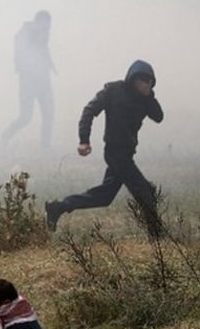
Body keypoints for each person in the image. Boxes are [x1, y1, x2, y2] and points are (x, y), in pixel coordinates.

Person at [45, 60, 164, 237]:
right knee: (146, 192)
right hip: (115, 153)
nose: (146, 84)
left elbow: (159, 117)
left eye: (149, 81)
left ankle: (59, 207)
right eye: (142, 80)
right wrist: (84, 139)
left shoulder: (145, 99)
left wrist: (149, 95)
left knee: (104, 197)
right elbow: (89, 111)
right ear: (133, 78)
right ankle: (158, 241)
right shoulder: (113, 91)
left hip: (127, 154)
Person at [0, 11, 55, 152]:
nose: (48, 28)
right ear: (38, 22)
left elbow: (44, 51)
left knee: (48, 114)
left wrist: (50, 65)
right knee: (25, 117)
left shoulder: (43, 33)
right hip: (28, 83)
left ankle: (45, 148)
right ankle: (5, 136)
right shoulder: (23, 35)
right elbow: (22, 56)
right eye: (46, 25)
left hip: (43, 81)